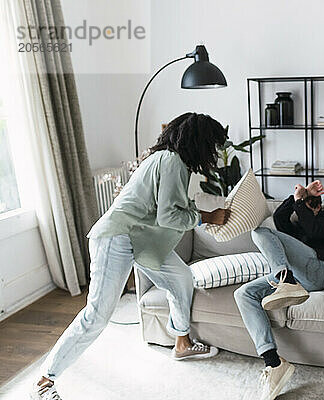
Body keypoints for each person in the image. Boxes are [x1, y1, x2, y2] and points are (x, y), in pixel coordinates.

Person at [31, 113, 231, 400]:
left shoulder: (168, 160)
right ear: (198, 141)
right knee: (96, 316)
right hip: (117, 236)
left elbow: (164, 208)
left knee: (181, 277)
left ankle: (182, 342)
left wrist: (200, 214)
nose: (211, 154)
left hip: (140, 239)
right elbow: (168, 215)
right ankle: (44, 382)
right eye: (210, 145)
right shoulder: (172, 162)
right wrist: (206, 217)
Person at [234, 180, 324, 400]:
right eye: (303, 205)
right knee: (243, 294)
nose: (305, 208)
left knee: (259, 232)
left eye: (309, 205)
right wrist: (296, 196)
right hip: (298, 277)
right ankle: (273, 362)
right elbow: (279, 219)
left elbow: (313, 230)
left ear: (317, 206)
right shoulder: (296, 228)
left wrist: (302, 202)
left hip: (322, 271)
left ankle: (285, 279)